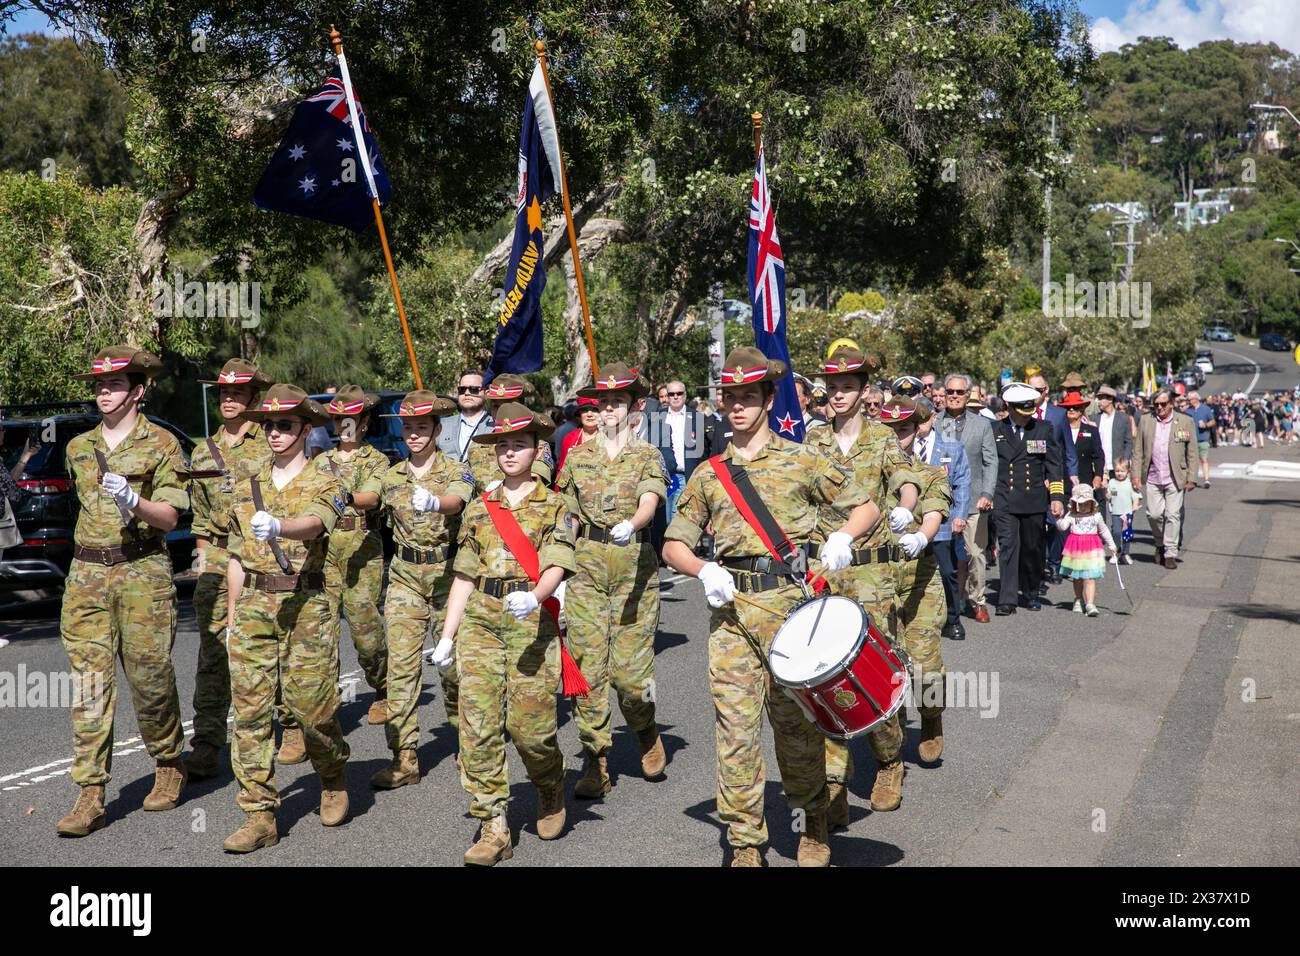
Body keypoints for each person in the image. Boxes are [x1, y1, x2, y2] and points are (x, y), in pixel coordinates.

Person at [662, 346, 877, 867]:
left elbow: (866, 506)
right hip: (731, 612)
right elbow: (673, 544)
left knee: (796, 730)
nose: (737, 406)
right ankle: (744, 841)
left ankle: (812, 822)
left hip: (790, 613)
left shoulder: (803, 459)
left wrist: (844, 538)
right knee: (735, 732)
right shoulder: (711, 474)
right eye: (729, 397)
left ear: (767, 399)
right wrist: (702, 568)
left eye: (748, 396)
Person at [55, 347, 190, 838]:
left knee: (150, 680)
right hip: (87, 575)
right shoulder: (77, 447)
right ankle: (90, 793)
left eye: (114, 384)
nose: (103, 391)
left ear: (138, 390)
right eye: (98, 384)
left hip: (142, 573)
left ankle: (170, 759)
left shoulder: (162, 444)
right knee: (90, 686)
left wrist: (136, 501)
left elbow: (172, 517)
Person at [435, 403, 576, 866]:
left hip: (530, 622)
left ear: (537, 450)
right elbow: (463, 575)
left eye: (519, 443)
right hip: (481, 620)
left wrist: (537, 596)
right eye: (503, 445)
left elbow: (556, 560)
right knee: (476, 726)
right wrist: (448, 635)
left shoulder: (556, 504)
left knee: (531, 729)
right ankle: (493, 823)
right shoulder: (480, 508)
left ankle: (549, 783)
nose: (510, 452)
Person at [221, 384, 352, 853]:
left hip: (306, 606)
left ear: (305, 428)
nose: (275, 433)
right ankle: (258, 813)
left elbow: (316, 523)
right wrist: (232, 615)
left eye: (285, 425)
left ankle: (333, 773)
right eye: (269, 425)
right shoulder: (245, 481)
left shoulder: (329, 477)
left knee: (312, 710)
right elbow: (236, 555)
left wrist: (280, 525)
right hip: (255, 602)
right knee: (251, 713)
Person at [805, 344, 919, 820]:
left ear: (864, 392)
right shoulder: (812, 441)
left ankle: (890, 760)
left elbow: (906, 479)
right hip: (824, 568)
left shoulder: (882, 439)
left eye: (846, 388)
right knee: (824, 673)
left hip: (872, 569)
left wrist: (906, 508)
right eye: (831, 388)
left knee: (873, 672)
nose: (837, 395)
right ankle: (834, 778)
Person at [556, 363, 669, 799]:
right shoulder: (576, 456)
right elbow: (563, 508)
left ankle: (644, 729)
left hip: (632, 573)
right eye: (602, 402)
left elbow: (650, 500)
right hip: (586, 569)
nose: (607, 409)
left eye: (617, 402)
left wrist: (633, 522)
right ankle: (596, 760)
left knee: (631, 679)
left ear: (634, 406)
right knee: (587, 671)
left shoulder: (646, 454)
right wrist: (559, 562)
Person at [372, 391, 473, 790]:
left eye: (421, 428)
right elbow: (370, 504)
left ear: (436, 430)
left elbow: (456, 501)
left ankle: (469, 743)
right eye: (408, 428)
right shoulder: (391, 476)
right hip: (404, 576)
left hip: (449, 576)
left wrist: (435, 501)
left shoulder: (456, 469)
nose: (413, 435)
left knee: (454, 669)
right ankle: (405, 756)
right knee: (402, 668)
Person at [185, 358, 274, 780]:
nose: (229, 399)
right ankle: (206, 742)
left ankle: (281, 727)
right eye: (224, 392)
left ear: (254, 397)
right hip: (217, 557)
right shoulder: (203, 450)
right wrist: (204, 565)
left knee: (261, 645)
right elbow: (200, 521)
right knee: (212, 653)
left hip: (260, 556)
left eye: (238, 392)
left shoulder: (270, 443)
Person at [312, 386, 391, 744]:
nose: (343, 426)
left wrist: (340, 496)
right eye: (337, 419)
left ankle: (383, 685)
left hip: (361, 547)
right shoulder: (318, 461)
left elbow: (372, 497)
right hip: (323, 551)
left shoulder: (376, 460)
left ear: (363, 422)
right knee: (321, 631)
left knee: (365, 630)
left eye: (350, 419)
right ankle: (323, 710)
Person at [879, 396, 954, 763]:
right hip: (876, 583)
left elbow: (936, 512)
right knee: (885, 665)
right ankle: (890, 750)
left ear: (917, 430)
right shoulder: (867, 478)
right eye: (889, 429)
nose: (896, 437)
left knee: (924, 665)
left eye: (904, 429)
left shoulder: (928, 474)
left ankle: (930, 716)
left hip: (919, 581)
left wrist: (922, 535)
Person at [991, 382, 1067, 615]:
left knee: (1033, 547)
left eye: (1029, 412)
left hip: (1033, 498)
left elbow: (1055, 465)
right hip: (1004, 497)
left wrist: (1056, 496)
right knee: (1008, 547)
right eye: (1021, 412)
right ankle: (1007, 598)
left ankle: (1032, 591)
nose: (1026, 417)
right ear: (1010, 408)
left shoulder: (1043, 429)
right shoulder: (996, 430)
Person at [939, 374, 996, 625]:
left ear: (968, 395)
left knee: (974, 553)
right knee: (944, 557)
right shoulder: (934, 423)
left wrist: (987, 493)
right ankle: (948, 602)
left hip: (973, 500)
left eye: (959, 392)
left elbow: (991, 461)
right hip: (940, 502)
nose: (954, 395)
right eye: (950, 391)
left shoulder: (981, 425)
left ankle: (977, 601)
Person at [912, 397, 970, 641]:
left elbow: (962, 482)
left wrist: (959, 515)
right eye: (915, 418)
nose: (920, 423)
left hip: (943, 522)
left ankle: (953, 619)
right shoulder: (901, 443)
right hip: (912, 522)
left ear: (934, 418)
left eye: (924, 417)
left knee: (947, 572)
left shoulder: (951, 446)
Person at [1132, 388, 1196, 570]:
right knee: (1153, 514)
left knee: (1172, 515)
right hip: (1152, 476)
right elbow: (1138, 451)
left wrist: (1192, 477)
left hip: (1175, 477)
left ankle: (1170, 553)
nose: (1159, 407)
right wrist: (1135, 475)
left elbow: (1192, 452)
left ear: (1171, 404)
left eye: (1163, 404)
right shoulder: (1146, 420)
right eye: (1156, 404)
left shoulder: (1185, 421)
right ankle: (1159, 543)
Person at [1031, 372, 1079, 585]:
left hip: (1056, 476)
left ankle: (1054, 562)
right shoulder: (1024, 413)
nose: (1035, 395)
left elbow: (1068, 448)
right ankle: (1039, 566)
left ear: (1047, 390)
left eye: (1039, 390)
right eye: (1031, 390)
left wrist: (1073, 474)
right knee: (1036, 525)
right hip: (1032, 477)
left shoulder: (1058, 415)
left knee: (1056, 522)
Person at [468, 374, 556, 487]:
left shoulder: (536, 446)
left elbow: (536, 479)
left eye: (506, 406)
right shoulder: (476, 447)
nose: (500, 412)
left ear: (522, 407)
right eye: (495, 407)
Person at [1056, 484, 1118, 617]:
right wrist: (1058, 519)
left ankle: (1090, 603)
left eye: (1086, 504)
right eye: (1080, 504)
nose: (1083, 507)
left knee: (1090, 577)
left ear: (1092, 504)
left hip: (1091, 549)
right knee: (1077, 577)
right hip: (1076, 549)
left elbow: (1104, 530)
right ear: (1074, 504)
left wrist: (1112, 545)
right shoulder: (1071, 515)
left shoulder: (1096, 516)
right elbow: (1063, 527)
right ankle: (1078, 599)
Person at [661, 379, 708, 524]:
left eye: (679, 393)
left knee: (681, 523)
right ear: (667, 397)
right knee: (663, 523)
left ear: (685, 396)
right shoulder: (656, 417)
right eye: (671, 394)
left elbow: (704, 452)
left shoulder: (697, 417)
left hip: (687, 477)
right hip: (664, 477)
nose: (675, 397)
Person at [437, 369, 492, 462]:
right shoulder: (441, 425)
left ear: (486, 394)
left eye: (474, 389)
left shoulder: (495, 426)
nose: (467, 393)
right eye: (462, 390)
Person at [1060, 389, 1104, 505]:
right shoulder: (1057, 431)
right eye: (1067, 407)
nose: (1071, 410)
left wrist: (1098, 476)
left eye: (1074, 407)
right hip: (1063, 483)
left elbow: (1099, 456)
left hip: (1085, 483)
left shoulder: (1091, 431)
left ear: (1081, 410)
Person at [556, 397, 601, 474]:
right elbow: (562, 471)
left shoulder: (611, 437)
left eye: (595, 410)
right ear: (580, 414)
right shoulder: (570, 438)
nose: (589, 414)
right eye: (585, 410)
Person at [1106, 458, 1137, 566]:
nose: (1119, 473)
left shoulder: (1129, 483)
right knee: (1116, 532)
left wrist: (1134, 505)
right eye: (1117, 471)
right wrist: (1109, 494)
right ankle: (1116, 552)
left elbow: (1135, 496)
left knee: (1126, 534)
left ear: (1128, 471)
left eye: (1122, 471)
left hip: (1127, 513)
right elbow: (1110, 495)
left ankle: (1126, 553)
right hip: (1116, 512)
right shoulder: (1112, 482)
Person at [1187, 391, 1215, 488]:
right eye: (1188, 400)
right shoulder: (1187, 411)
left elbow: (1213, 421)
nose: (1189, 401)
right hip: (1190, 440)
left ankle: (1206, 480)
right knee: (1191, 461)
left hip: (1202, 439)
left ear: (1196, 399)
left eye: (1190, 399)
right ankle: (1191, 480)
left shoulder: (1206, 409)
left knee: (1204, 459)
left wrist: (1206, 425)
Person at [305, 384, 337, 460]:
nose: (331, 404)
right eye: (328, 400)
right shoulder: (318, 429)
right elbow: (316, 454)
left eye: (333, 398)